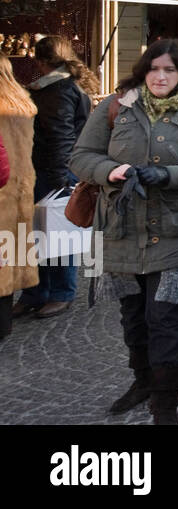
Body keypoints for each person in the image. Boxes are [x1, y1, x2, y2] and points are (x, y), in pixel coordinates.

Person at [70, 40, 178, 423]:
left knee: (167, 320)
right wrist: (112, 171)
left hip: (177, 233)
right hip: (122, 232)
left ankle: (165, 407)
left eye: (170, 70)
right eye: (154, 69)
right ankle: (142, 382)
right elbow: (80, 157)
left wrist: (168, 175)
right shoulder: (115, 107)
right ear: (143, 71)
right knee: (134, 318)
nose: (160, 76)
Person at [15, 36, 94, 318]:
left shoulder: (58, 89)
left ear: (40, 61)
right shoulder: (63, 85)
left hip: (54, 171)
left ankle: (59, 292)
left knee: (57, 234)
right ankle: (38, 291)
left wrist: (62, 179)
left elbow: (60, 136)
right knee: (40, 234)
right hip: (52, 169)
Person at [0, 57, 38, 342]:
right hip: (22, 184)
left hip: (3, 188)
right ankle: (5, 322)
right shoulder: (22, 100)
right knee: (11, 254)